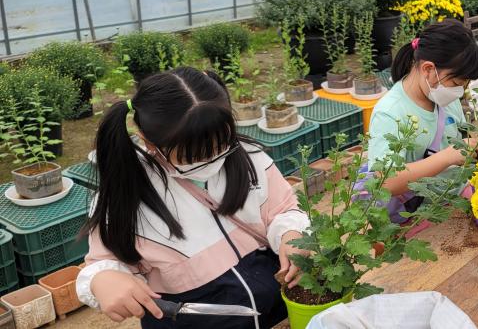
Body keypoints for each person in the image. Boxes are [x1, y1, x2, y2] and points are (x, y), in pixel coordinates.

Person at [77, 67, 310, 328]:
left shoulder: (248, 157)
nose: (213, 158)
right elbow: (103, 263)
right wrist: (103, 280)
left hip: (274, 311)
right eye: (193, 155)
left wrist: (290, 234)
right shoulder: (127, 195)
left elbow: (284, 209)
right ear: (149, 142)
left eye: (222, 144)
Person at [367, 19, 478, 222]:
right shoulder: (390, 112)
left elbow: (456, 144)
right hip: (414, 215)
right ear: (428, 69)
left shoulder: (445, 98)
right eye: (456, 83)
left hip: (451, 200)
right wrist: (448, 157)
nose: (460, 92)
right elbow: (385, 182)